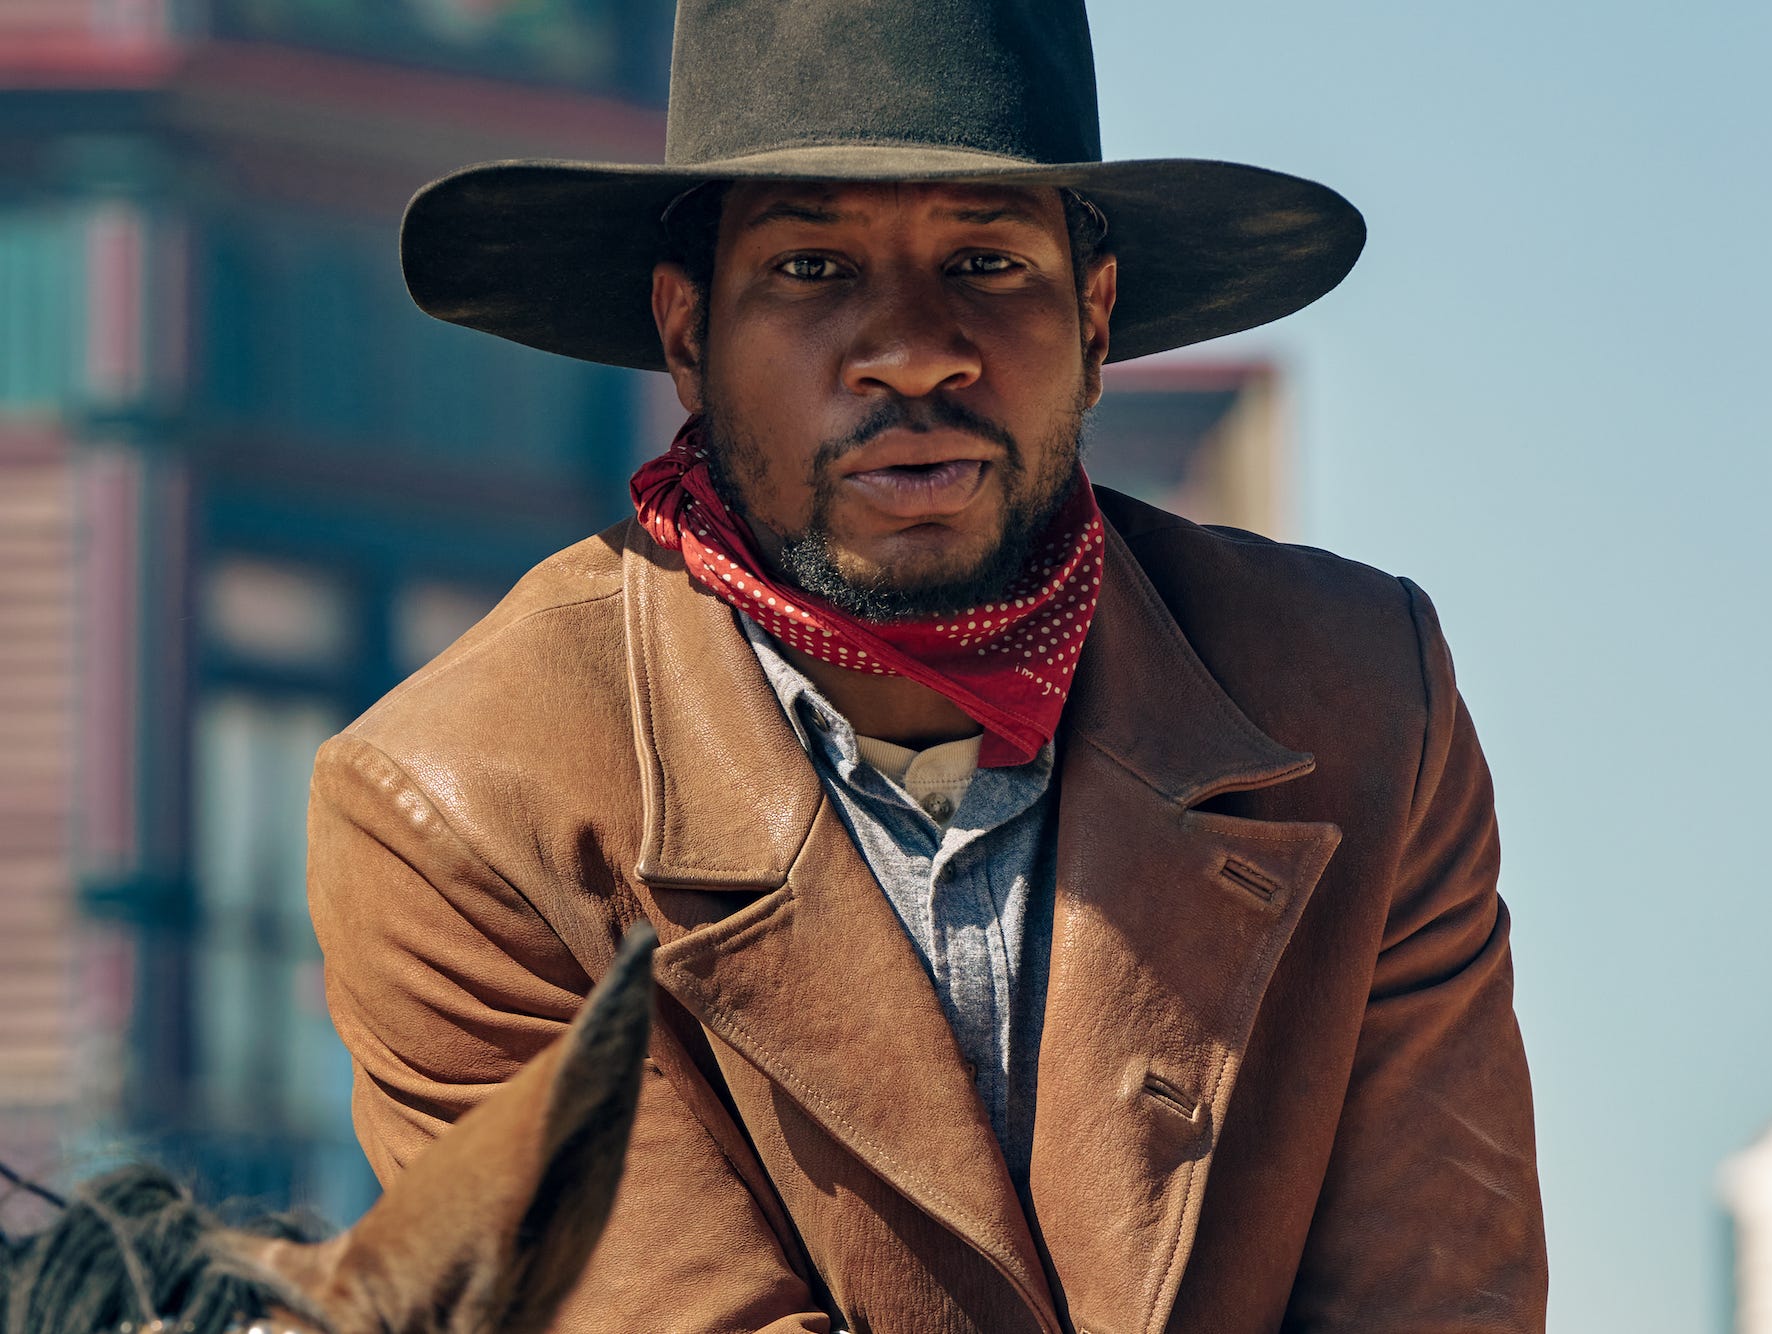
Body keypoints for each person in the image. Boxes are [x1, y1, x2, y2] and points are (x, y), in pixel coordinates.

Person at [309, 0, 1547, 1329]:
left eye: (986, 258)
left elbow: (1435, 1302)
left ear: (1097, 315)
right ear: (686, 336)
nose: (912, 350)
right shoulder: (459, 806)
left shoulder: (1359, 701)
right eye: (811, 267)